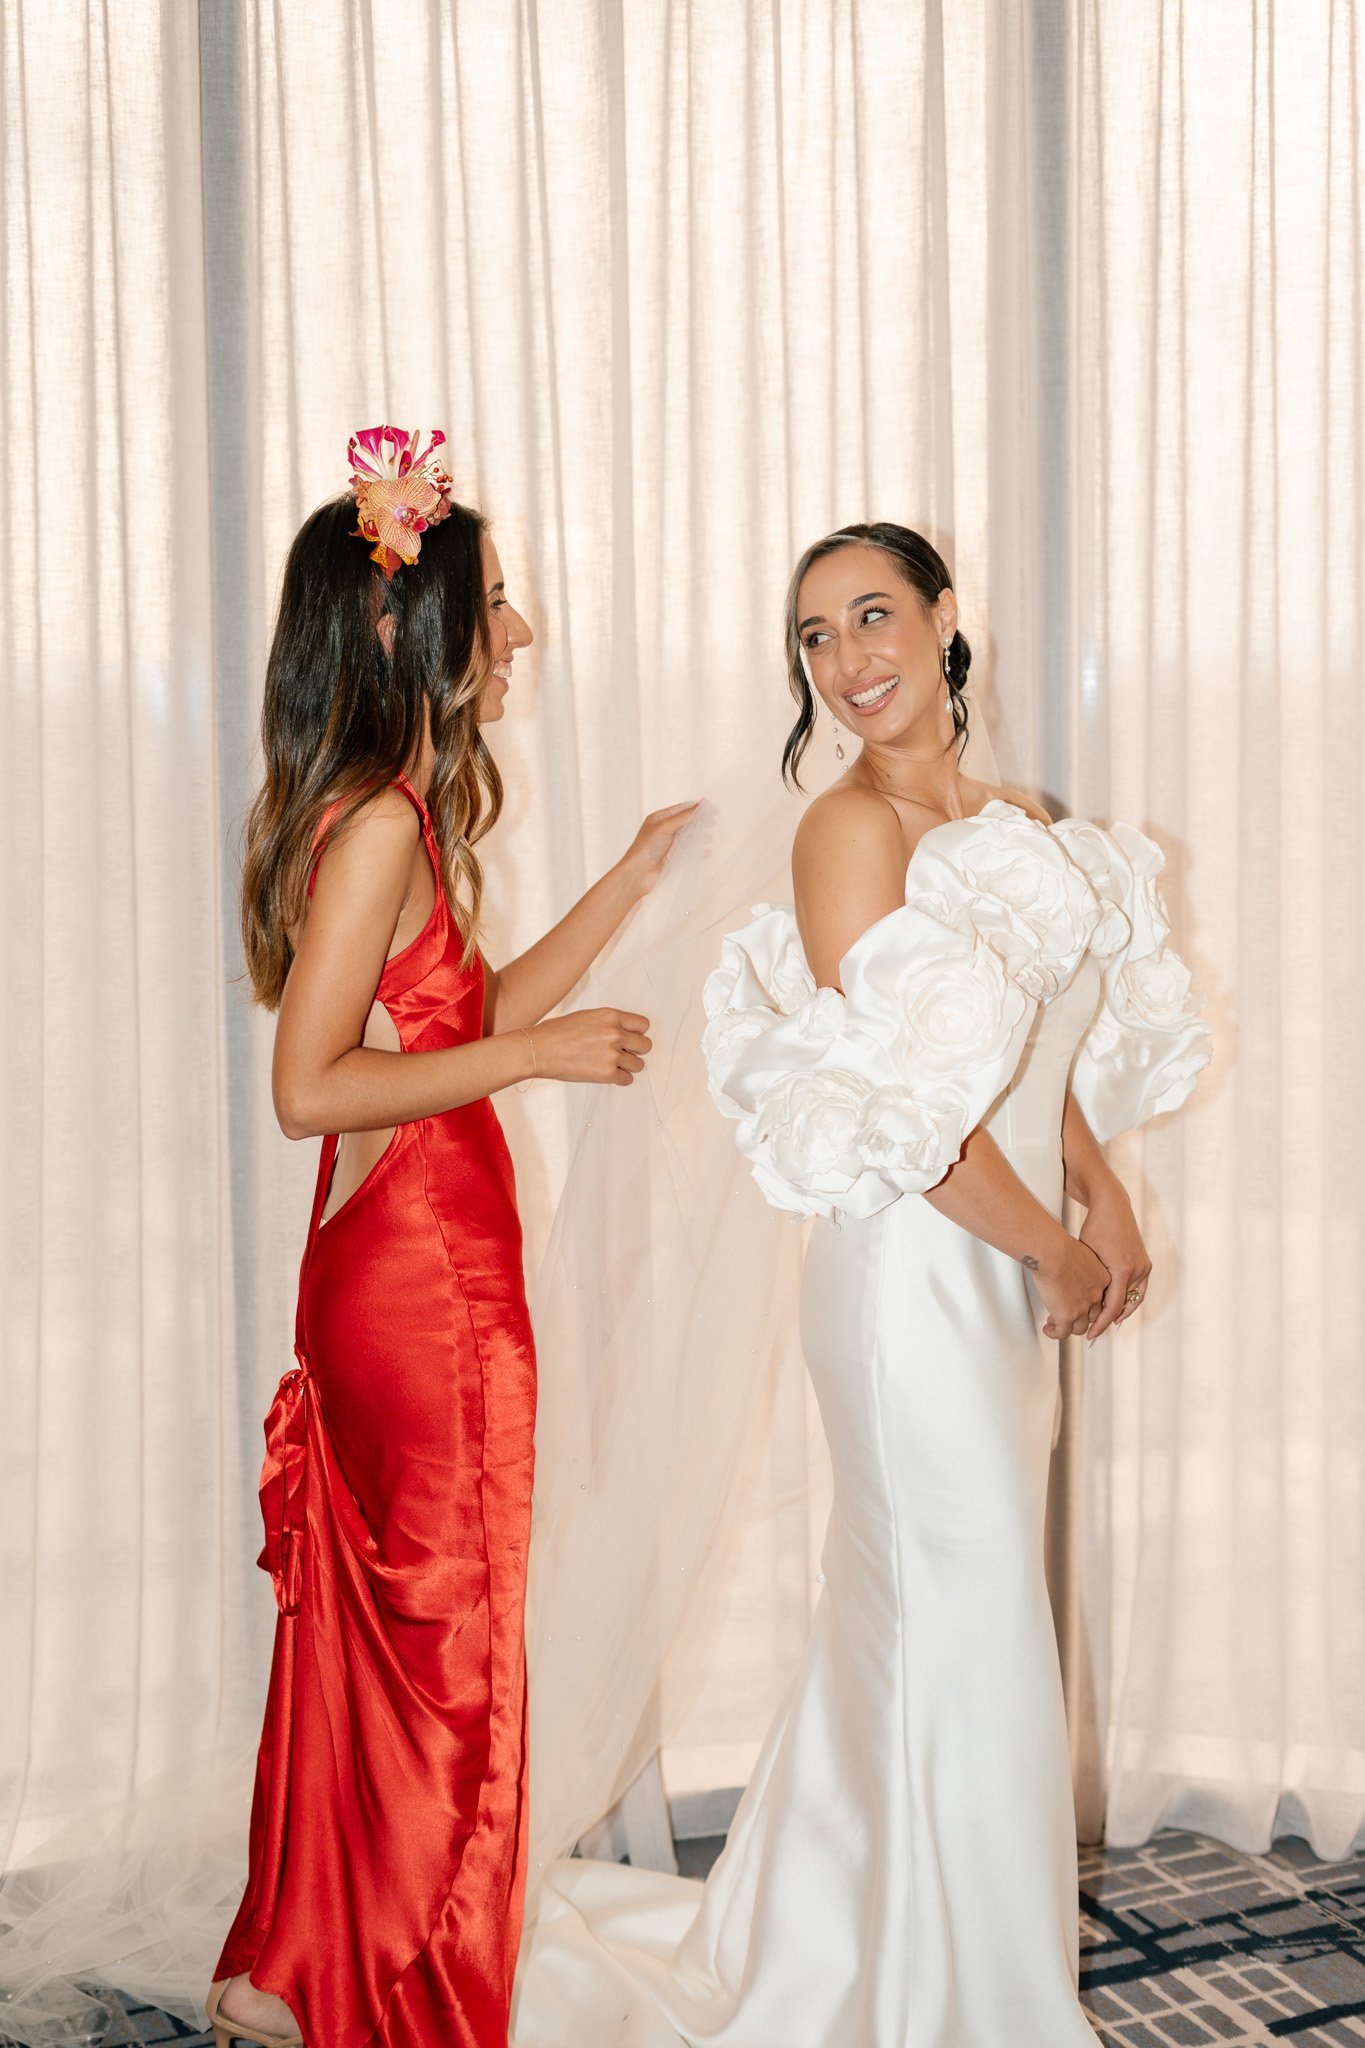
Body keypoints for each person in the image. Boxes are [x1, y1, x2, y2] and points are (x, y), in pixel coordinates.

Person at [512, 522, 1210, 2046]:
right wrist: (1050, 1243)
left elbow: (1020, 1055)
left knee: (931, 1626)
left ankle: (867, 1936)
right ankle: (961, 2000)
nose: (845, 661)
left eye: (872, 616)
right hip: (911, 1274)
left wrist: (1105, 1194)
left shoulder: (1010, 817)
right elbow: (897, 1113)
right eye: (815, 636)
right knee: (962, 1627)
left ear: (945, 619)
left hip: (1002, 1248)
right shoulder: (845, 832)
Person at [207, 427, 697, 2048]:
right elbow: (312, 1089)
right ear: (418, 632)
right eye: (501, 603)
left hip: (403, 1266)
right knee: (457, 1651)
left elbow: (452, 1016)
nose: (525, 632)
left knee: (396, 1641)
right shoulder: (374, 831)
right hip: (423, 1286)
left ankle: (305, 1953)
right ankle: (408, 1980)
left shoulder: (390, 811)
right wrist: (538, 1061)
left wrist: (629, 879)